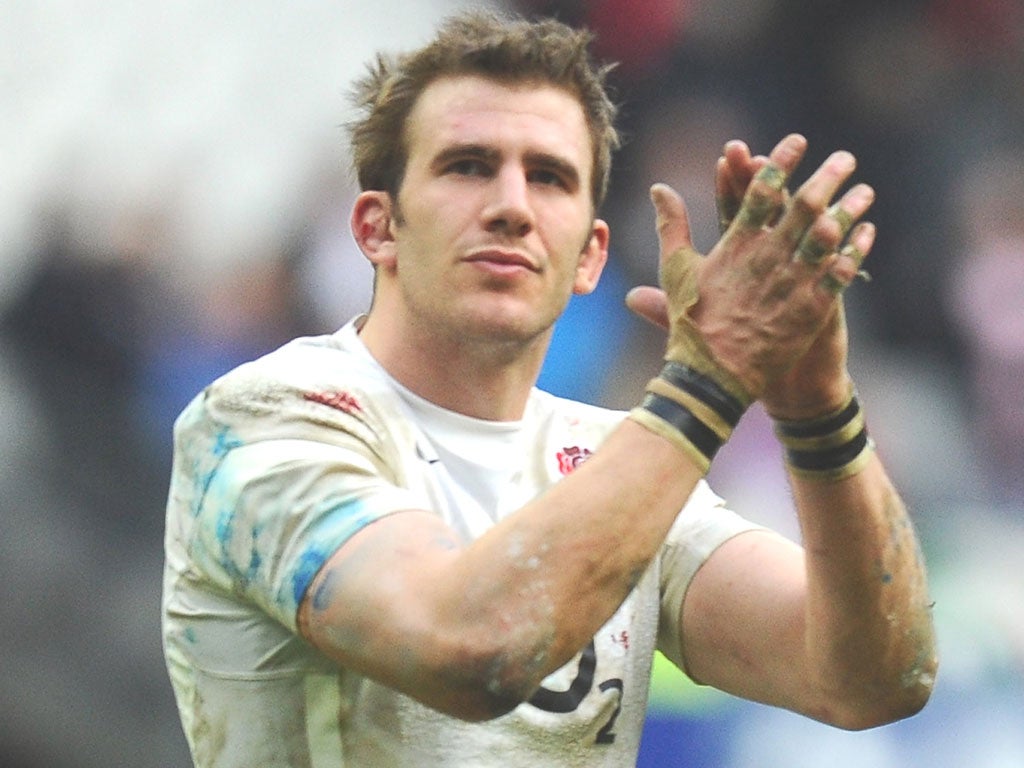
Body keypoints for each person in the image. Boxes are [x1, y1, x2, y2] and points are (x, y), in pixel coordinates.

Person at [161, 11, 938, 766]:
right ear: (377, 228)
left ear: (591, 257)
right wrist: (710, 381)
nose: (511, 207)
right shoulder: (266, 422)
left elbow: (874, 682)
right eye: (467, 166)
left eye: (550, 178)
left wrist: (817, 406)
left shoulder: (608, 461)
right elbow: (469, 649)